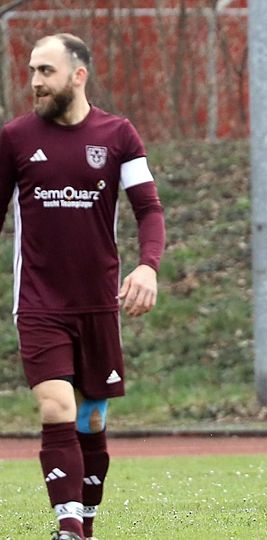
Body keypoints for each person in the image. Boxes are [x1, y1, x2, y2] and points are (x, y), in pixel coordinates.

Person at [0, 34, 166, 540]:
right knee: (57, 406)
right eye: (32, 71)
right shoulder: (15, 138)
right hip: (39, 303)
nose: (35, 82)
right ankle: (68, 526)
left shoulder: (118, 135)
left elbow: (148, 209)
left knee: (91, 420)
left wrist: (148, 267)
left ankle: (86, 522)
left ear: (78, 75)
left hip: (99, 303)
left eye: (46, 71)